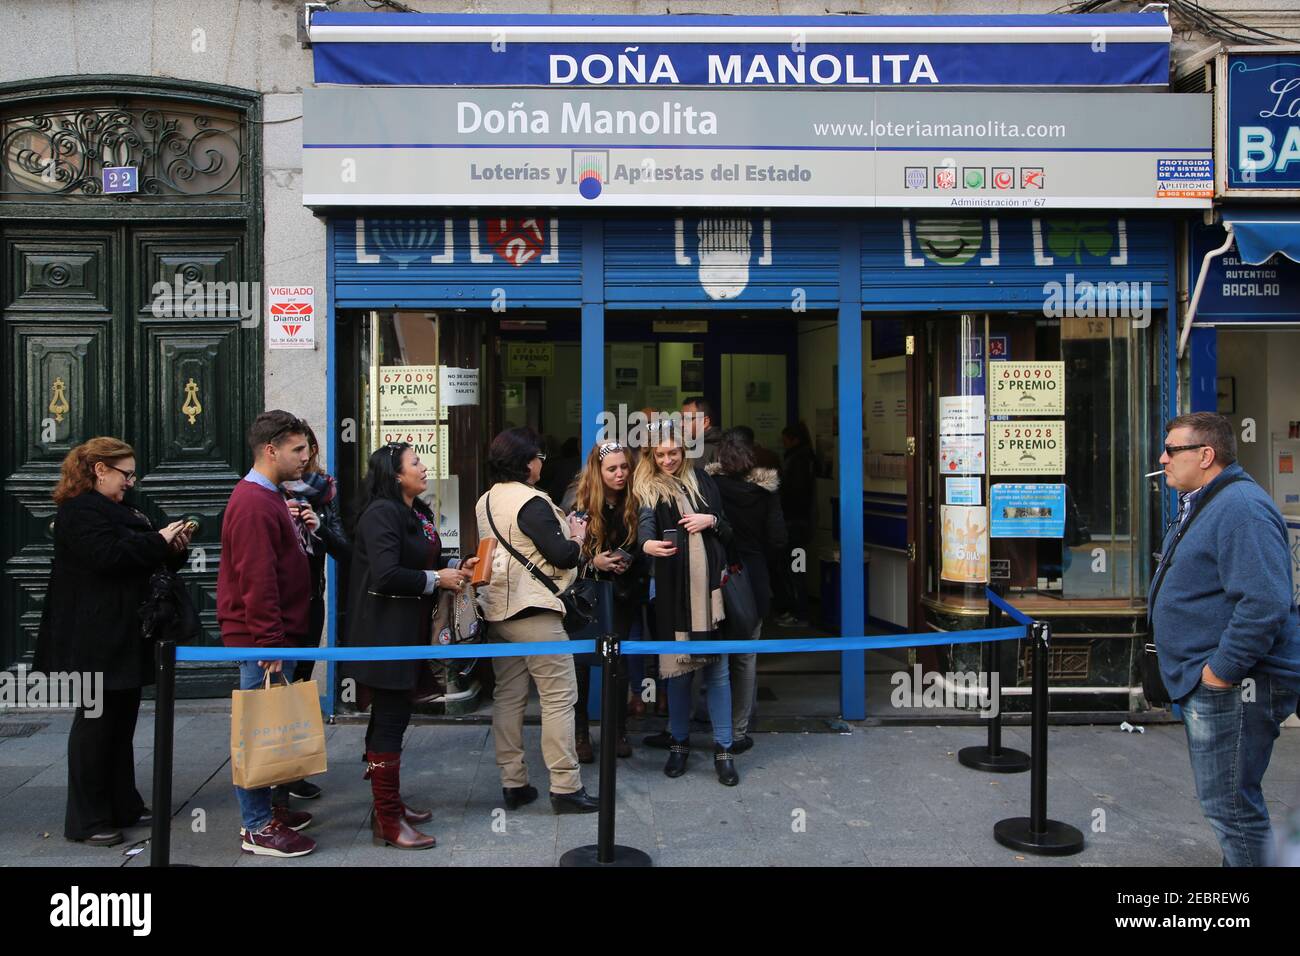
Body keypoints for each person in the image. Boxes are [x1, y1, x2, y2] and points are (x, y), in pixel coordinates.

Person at [1149, 412, 1300, 866]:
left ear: (1206, 455)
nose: (1163, 458)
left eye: (1172, 450)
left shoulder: (1241, 508)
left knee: (1232, 809)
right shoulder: (1206, 501)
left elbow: (1264, 604)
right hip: (1219, 682)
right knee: (1229, 806)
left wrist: (1218, 674)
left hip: (1236, 687)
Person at [34, 438, 192, 847]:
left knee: (120, 725)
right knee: (96, 727)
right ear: (100, 470)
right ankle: (86, 820)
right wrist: (157, 541)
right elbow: (107, 556)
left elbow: (135, 557)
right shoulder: (78, 512)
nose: (131, 482)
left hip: (120, 635)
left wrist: (171, 549)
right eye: (126, 473)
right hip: (92, 641)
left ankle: (122, 803)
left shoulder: (117, 508)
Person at [344, 441, 477, 850]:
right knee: (388, 720)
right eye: (415, 462)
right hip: (384, 635)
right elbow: (386, 574)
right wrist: (438, 579)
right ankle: (387, 819)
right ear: (395, 474)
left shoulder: (413, 510)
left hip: (406, 632)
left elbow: (422, 556)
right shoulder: (382, 513)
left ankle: (390, 806)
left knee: (394, 717)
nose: (423, 466)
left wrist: (455, 567)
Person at [474, 427, 600, 814]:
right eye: (539, 457)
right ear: (528, 462)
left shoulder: (485, 500)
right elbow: (562, 555)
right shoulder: (531, 501)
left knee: (508, 697)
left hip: (497, 610)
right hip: (534, 613)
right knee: (560, 697)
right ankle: (565, 787)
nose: (542, 463)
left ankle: (514, 783)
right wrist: (578, 536)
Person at [217, 410, 317, 858]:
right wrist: (270, 643)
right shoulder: (254, 502)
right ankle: (256, 825)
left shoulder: (269, 496)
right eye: (298, 449)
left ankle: (266, 814)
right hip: (263, 640)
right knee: (257, 731)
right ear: (271, 450)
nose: (306, 456)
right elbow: (257, 581)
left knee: (270, 725)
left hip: (273, 636)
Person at [635, 419, 739, 786]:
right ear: (651, 455)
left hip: (710, 592)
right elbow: (644, 524)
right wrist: (646, 545)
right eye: (660, 454)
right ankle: (678, 744)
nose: (667, 460)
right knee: (678, 671)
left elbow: (729, 532)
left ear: (684, 451)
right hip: (672, 591)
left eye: (673, 453)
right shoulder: (647, 486)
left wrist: (710, 519)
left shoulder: (705, 481)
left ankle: (724, 749)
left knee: (718, 672)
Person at [274, 422, 351, 806]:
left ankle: (293, 770)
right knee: (274, 694)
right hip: (277, 605)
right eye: (299, 451)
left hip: (310, 599)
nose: (306, 458)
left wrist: (317, 527)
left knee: (301, 685)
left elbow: (344, 550)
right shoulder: (264, 491)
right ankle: (273, 786)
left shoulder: (324, 490)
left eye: (310, 450)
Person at [708, 428, 787, 754]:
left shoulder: (709, 487)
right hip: (752, 579)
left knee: (713, 658)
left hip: (716, 577)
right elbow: (779, 540)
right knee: (745, 658)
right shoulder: (766, 494)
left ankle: (713, 725)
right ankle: (739, 730)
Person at [570, 440, 645, 762]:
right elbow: (564, 555)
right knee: (581, 665)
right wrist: (593, 562)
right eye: (612, 468)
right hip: (586, 594)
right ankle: (581, 733)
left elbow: (644, 545)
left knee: (618, 663)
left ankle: (617, 731)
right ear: (598, 472)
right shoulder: (579, 501)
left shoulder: (636, 501)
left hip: (623, 594)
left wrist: (629, 558)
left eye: (624, 467)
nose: (620, 474)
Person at [773, 422, 816, 628]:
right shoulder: (804, 457)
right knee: (794, 568)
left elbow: (795, 493)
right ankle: (797, 610)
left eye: (785, 440)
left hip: (795, 522)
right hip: (800, 521)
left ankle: (800, 613)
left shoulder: (798, 460)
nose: (783, 444)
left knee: (796, 568)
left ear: (793, 439)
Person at [681, 397, 722, 466]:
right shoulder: (723, 442)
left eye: (687, 419)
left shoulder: (701, 453)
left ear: (705, 422)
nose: (681, 424)